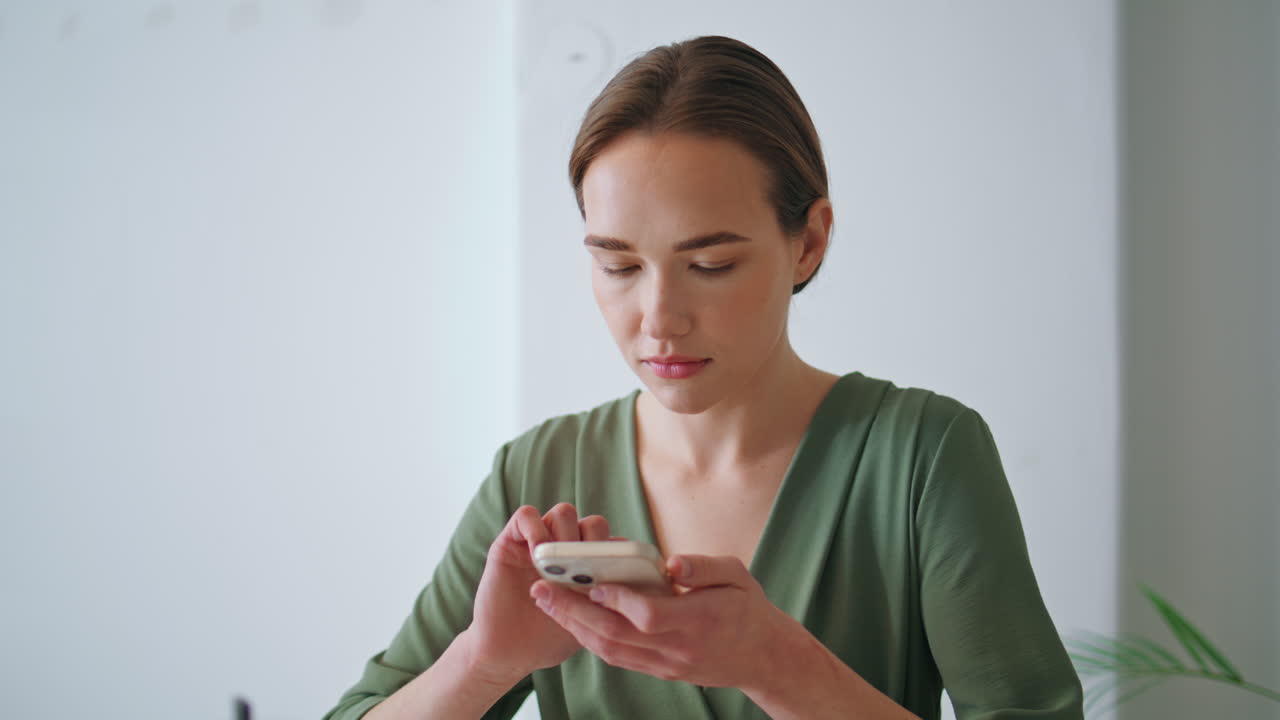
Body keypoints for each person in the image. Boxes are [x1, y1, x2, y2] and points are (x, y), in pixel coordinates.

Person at [322, 35, 1084, 720]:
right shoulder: (538, 473)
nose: (659, 318)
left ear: (809, 241)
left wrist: (779, 666)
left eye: (710, 265)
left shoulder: (920, 457)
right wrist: (484, 664)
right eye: (617, 264)